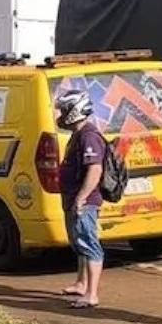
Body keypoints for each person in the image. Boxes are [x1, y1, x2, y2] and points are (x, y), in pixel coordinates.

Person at [56, 89, 105, 309]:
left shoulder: (89, 136)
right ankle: (81, 283)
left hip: (84, 201)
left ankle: (91, 294)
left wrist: (81, 198)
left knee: (89, 242)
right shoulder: (78, 135)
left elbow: (94, 170)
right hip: (74, 198)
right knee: (80, 243)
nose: (61, 115)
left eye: (65, 110)